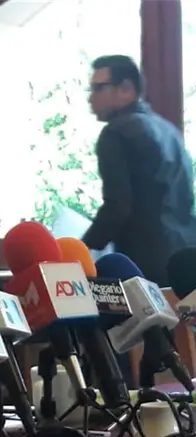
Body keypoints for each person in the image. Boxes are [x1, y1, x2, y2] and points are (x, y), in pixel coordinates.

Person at [82, 54, 196, 287]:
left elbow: (118, 206)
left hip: (144, 266)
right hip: (186, 260)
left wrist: (81, 249)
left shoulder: (117, 133)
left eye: (98, 88)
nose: (90, 98)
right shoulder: (169, 131)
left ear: (126, 89)